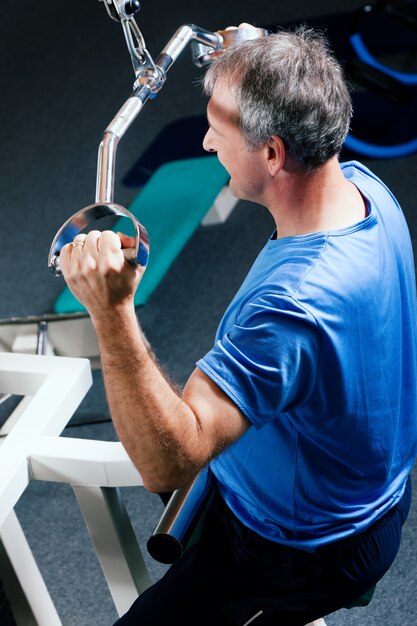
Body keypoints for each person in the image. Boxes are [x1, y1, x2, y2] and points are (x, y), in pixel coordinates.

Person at [59, 25, 417, 626]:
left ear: (273, 153)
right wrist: (259, 58)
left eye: (217, 133)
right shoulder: (364, 192)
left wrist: (113, 312)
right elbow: (298, 93)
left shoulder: (290, 310)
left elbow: (169, 465)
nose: (204, 142)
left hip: (298, 548)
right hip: (350, 488)